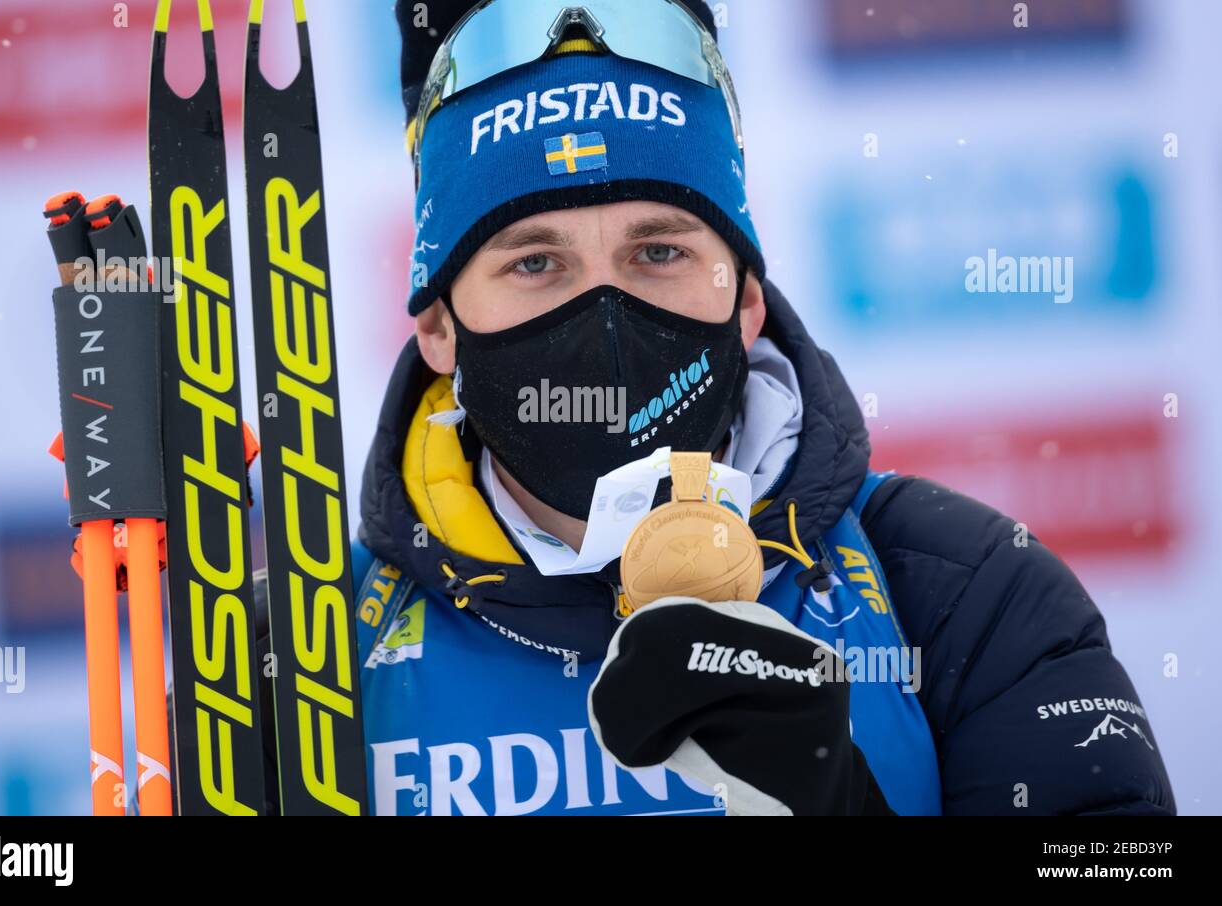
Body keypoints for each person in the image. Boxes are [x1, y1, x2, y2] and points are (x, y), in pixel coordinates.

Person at [264, 0, 1174, 815]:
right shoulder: (313, 653)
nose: (605, 317)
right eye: (534, 263)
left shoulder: (963, 588)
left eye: (658, 251)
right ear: (438, 329)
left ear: (744, 297)